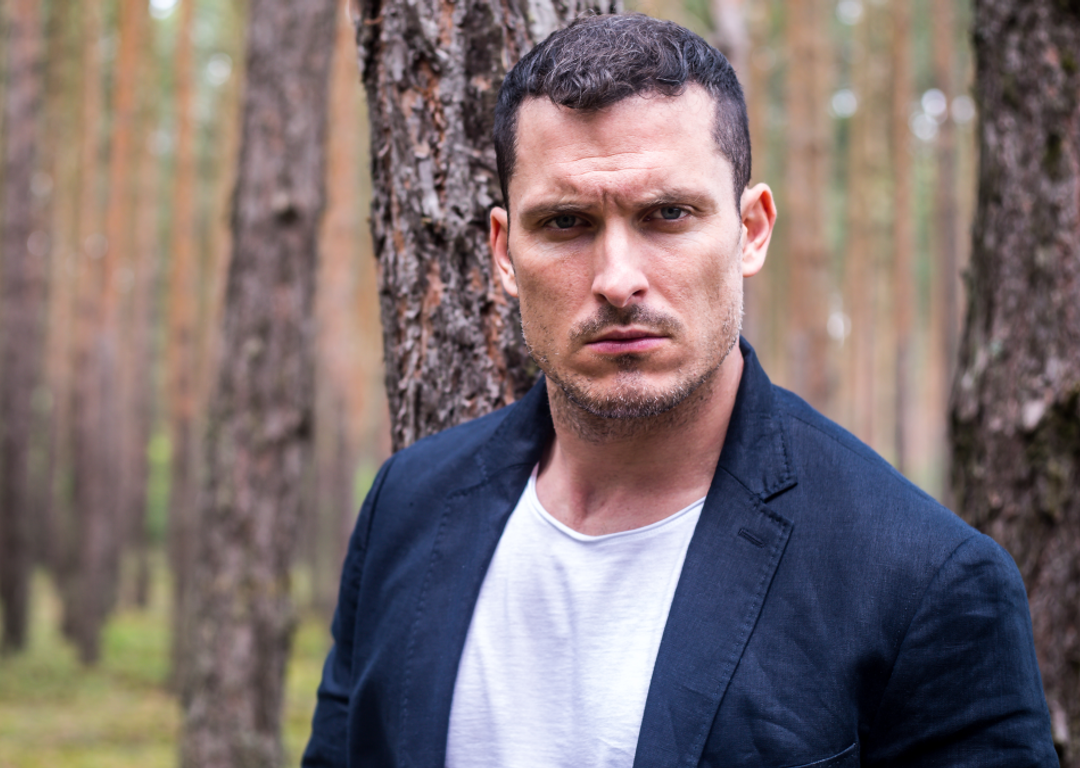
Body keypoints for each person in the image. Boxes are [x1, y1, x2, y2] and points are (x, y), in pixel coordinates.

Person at [303, 13, 1056, 768]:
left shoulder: (924, 581)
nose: (617, 279)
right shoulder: (407, 508)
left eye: (668, 214)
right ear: (504, 253)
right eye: (565, 222)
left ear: (751, 230)